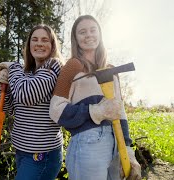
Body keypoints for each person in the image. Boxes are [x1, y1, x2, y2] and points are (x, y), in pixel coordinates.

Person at [49, 15, 141, 180]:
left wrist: (127, 149)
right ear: (76, 39)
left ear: (100, 34)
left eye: (93, 30)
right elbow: (56, 110)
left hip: (116, 141)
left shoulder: (112, 70)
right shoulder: (73, 66)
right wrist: (96, 111)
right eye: (82, 32)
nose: (89, 35)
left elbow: (121, 113)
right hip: (87, 143)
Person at [0, 24, 63, 180]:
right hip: (22, 151)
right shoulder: (26, 74)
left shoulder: (53, 66)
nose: (39, 43)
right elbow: (8, 108)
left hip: (42, 154)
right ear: (29, 44)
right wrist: (3, 88)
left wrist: (13, 67)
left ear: (52, 46)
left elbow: (27, 96)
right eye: (35, 39)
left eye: (45, 40)